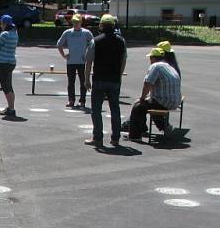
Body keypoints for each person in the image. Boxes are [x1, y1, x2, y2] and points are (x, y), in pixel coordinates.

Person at [83, 14, 127, 147]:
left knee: (96, 109)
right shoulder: (121, 41)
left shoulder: (95, 41)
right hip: (114, 79)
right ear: (114, 26)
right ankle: (115, 138)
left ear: (101, 25)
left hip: (99, 78)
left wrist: (86, 79)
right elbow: (123, 59)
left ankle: (97, 137)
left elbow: (88, 62)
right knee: (115, 109)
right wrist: (119, 75)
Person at [124, 47, 182, 142]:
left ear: (153, 58)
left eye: (150, 58)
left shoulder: (155, 66)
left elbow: (147, 84)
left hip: (165, 101)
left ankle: (135, 135)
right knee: (150, 103)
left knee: (138, 107)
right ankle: (164, 126)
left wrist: (142, 98)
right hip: (175, 100)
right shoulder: (169, 66)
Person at [57, 14, 94, 108]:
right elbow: (59, 44)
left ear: (81, 22)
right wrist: (64, 55)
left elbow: (93, 44)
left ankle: (82, 101)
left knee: (83, 82)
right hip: (71, 61)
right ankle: (71, 100)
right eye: (74, 22)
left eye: (77, 22)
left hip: (82, 61)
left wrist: (88, 55)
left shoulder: (86, 33)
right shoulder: (68, 32)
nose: (75, 24)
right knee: (71, 82)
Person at [0, 14, 19, 117]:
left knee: (6, 86)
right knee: (9, 85)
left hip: (4, 62)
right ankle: (11, 107)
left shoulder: (4, 34)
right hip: (11, 62)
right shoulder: (15, 34)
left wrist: (0, 35)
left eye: (1, 23)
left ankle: (11, 109)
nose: (0, 25)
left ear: (5, 24)